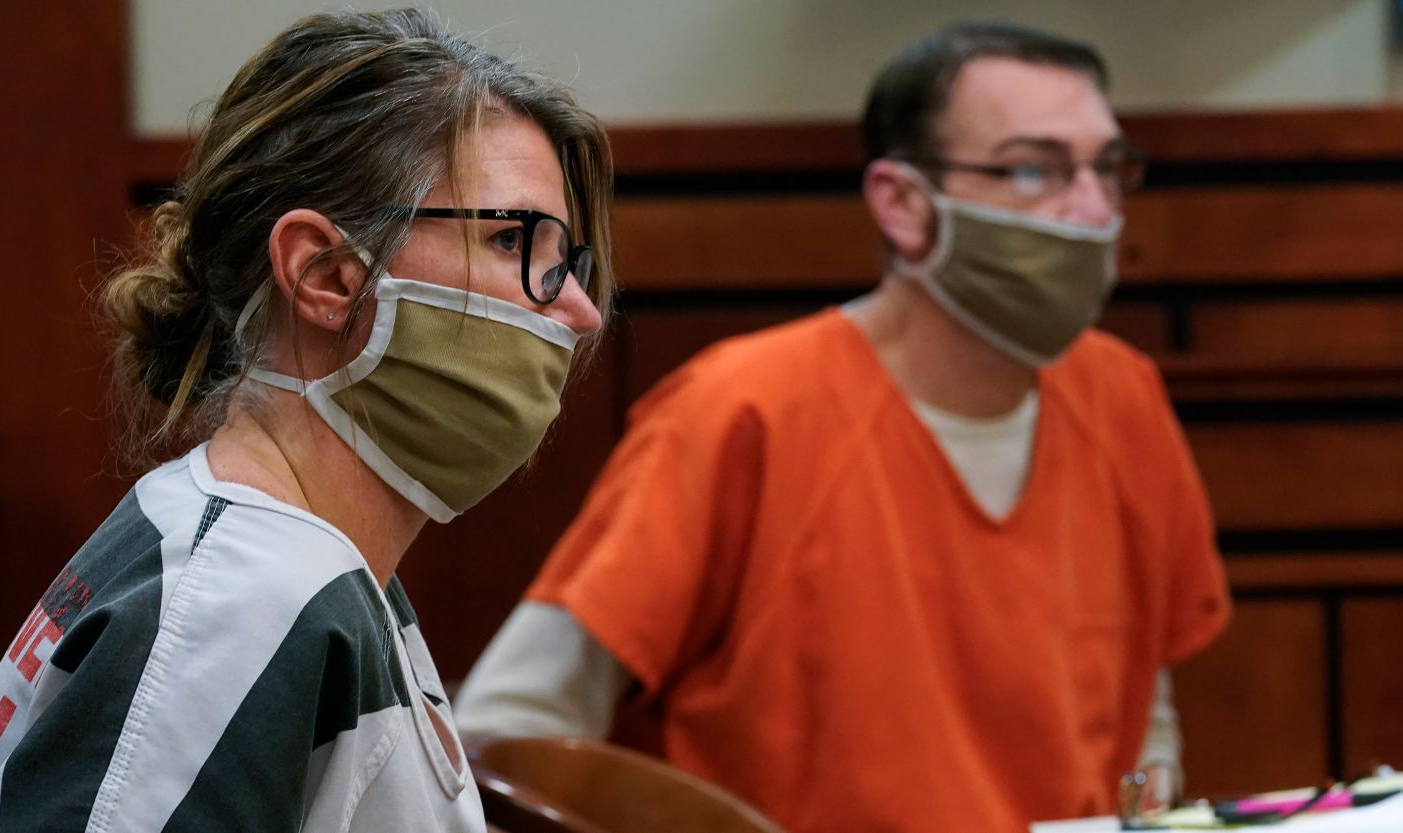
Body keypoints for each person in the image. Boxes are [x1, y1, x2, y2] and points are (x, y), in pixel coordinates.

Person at [455, 20, 1230, 833]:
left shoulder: (1123, 397)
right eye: (1033, 169)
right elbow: (508, 734)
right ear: (901, 202)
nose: (1092, 209)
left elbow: (1149, 695)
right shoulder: (742, 409)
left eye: (1106, 168)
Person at [0, 8, 611, 832]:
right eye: (514, 240)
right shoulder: (244, 601)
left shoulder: (292, 560)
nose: (578, 310)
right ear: (326, 275)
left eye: (566, 260)